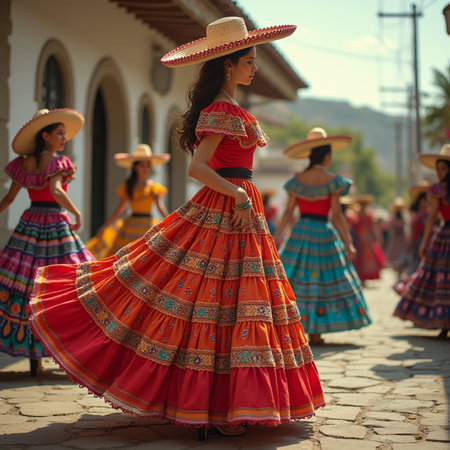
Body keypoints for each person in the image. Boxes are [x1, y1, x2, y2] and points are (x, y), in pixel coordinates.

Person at [29, 17, 324, 439]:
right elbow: (198, 168)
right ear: (229, 65)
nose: (254, 68)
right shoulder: (222, 110)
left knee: (229, 304)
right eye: (250, 61)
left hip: (240, 210)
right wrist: (238, 195)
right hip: (229, 205)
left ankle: (221, 405)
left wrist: (242, 197)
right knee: (209, 302)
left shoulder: (232, 108)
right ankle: (215, 408)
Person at [0, 108, 94, 375]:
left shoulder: (24, 163)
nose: (64, 138)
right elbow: (54, 191)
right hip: (54, 226)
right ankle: (64, 348)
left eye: (64, 133)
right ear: (45, 135)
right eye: (59, 133)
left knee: (26, 282)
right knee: (64, 281)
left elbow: (8, 199)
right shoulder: (56, 162)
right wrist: (75, 212)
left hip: (29, 226)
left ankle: (34, 358)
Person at [273, 127, 371, 345]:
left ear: (310, 155)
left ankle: (296, 327)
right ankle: (317, 331)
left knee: (296, 278)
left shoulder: (297, 180)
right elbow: (337, 215)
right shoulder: (333, 180)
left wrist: (275, 237)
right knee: (326, 281)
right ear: (327, 156)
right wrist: (348, 242)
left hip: (300, 233)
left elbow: (289, 212)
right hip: (324, 232)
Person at [394, 144, 450, 338]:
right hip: (443, 237)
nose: (440, 172)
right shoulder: (437, 190)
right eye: (438, 169)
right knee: (440, 279)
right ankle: (443, 323)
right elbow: (432, 217)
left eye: (443, 168)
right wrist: (426, 243)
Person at [86, 144, 170, 259]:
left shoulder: (153, 188)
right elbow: (119, 209)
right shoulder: (128, 187)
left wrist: (172, 221)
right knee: (126, 257)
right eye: (142, 165)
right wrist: (105, 226)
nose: (145, 169)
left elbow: (160, 207)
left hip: (148, 224)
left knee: (146, 256)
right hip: (130, 225)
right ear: (135, 167)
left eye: (147, 166)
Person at [351, 194, 386, 284]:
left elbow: (374, 228)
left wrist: (378, 238)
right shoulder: (355, 216)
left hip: (368, 241)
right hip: (359, 241)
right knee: (360, 259)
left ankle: (365, 277)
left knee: (368, 259)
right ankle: (361, 278)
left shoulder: (369, 216)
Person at [385, 197, 408, 281]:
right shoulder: (403, 219)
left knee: (396, 257)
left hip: (395, 240)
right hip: (401, 240)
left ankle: (398, 276)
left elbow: (391, 230)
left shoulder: (392, 219)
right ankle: (400, 275)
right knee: (401, 256)